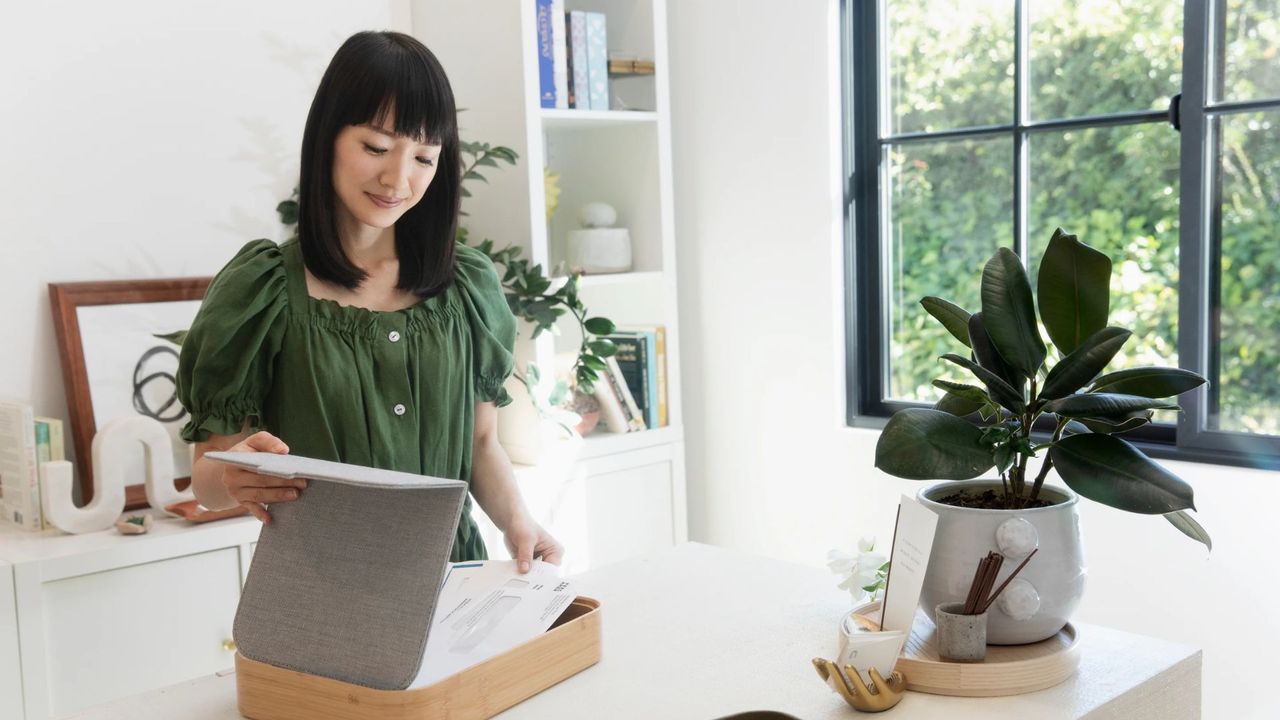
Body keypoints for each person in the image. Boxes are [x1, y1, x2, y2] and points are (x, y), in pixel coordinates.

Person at [176, 30, 562, 572]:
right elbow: (208, 481)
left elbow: (480, 444)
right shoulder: (262, 290)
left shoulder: (467, 287)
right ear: (328, 137)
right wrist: (233, 475)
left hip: (456, 583)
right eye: (376, 148)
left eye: (424, 158)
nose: (397, 179)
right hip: (323, 597)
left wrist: (518, 522)